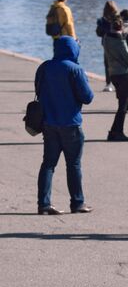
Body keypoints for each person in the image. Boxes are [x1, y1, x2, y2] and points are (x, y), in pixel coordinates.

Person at [35, 36, 94, 215]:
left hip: (49, 122)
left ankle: (43, 204)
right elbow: (87, 97)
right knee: (73, 164)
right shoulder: (75, 69)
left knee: (48, 164)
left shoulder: (45, 67)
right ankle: (77, 203)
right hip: (70, 123)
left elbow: (37, 89)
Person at [103, 17, 128, 141]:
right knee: (123, 106)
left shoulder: (106, 39)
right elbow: (127, 56)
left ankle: (114, 131)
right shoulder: (120, 41)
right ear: (121, 28)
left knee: (121, 105)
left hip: (113, 73)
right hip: (123, 74)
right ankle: (117, 132)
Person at [96, 1, 119, 92]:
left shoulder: (103, 20)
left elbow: (98, 33)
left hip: (106, 44)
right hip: (117, 43)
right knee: (118, 64)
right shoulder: (118, 18)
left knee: (107, 65)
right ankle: (118, 85)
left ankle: (108, 84)